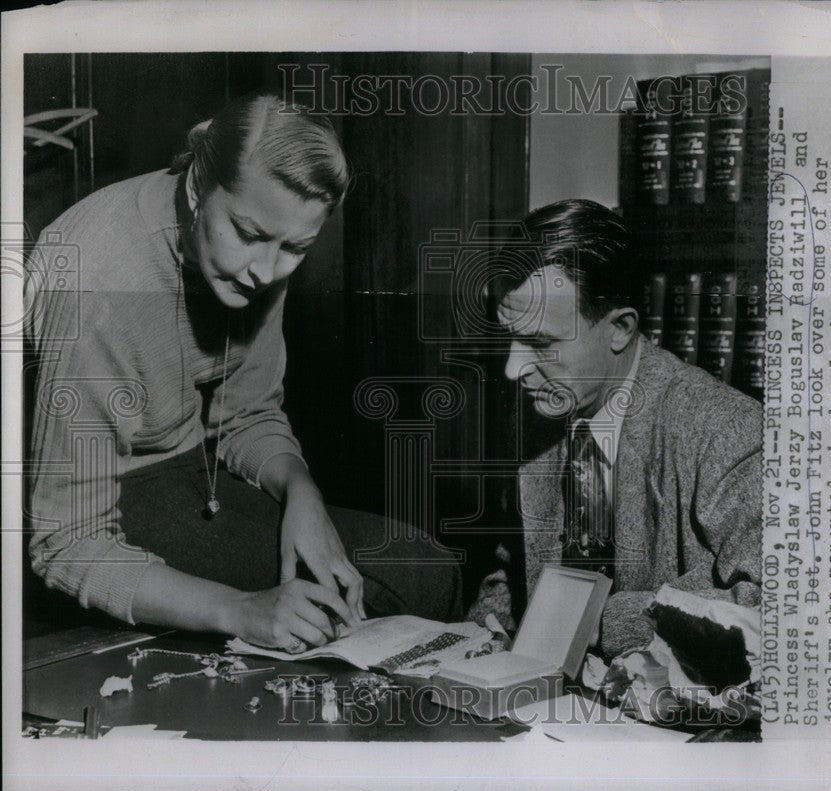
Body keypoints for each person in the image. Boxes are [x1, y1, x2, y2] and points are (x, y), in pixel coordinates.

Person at [25, 92, 461, 654]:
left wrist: (304, 495)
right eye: (249, 235)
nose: (265, 271)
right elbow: (67, 542)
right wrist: (240, 610)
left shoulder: (259, 241)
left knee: (423, 562)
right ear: (194, 185)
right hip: (96, 504)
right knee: (388, 587)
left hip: (190, 476)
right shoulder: (96, 279)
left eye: (295, 248)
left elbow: (248, 415)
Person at [467, 199, 762, 658]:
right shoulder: (540, 410)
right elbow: (509, 562)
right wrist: (485, 630)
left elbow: (778, 602)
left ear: (620, 328)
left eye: (539, 343)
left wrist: (599, 623)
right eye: (509, 337)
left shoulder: (726, 430)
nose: (512, 368)